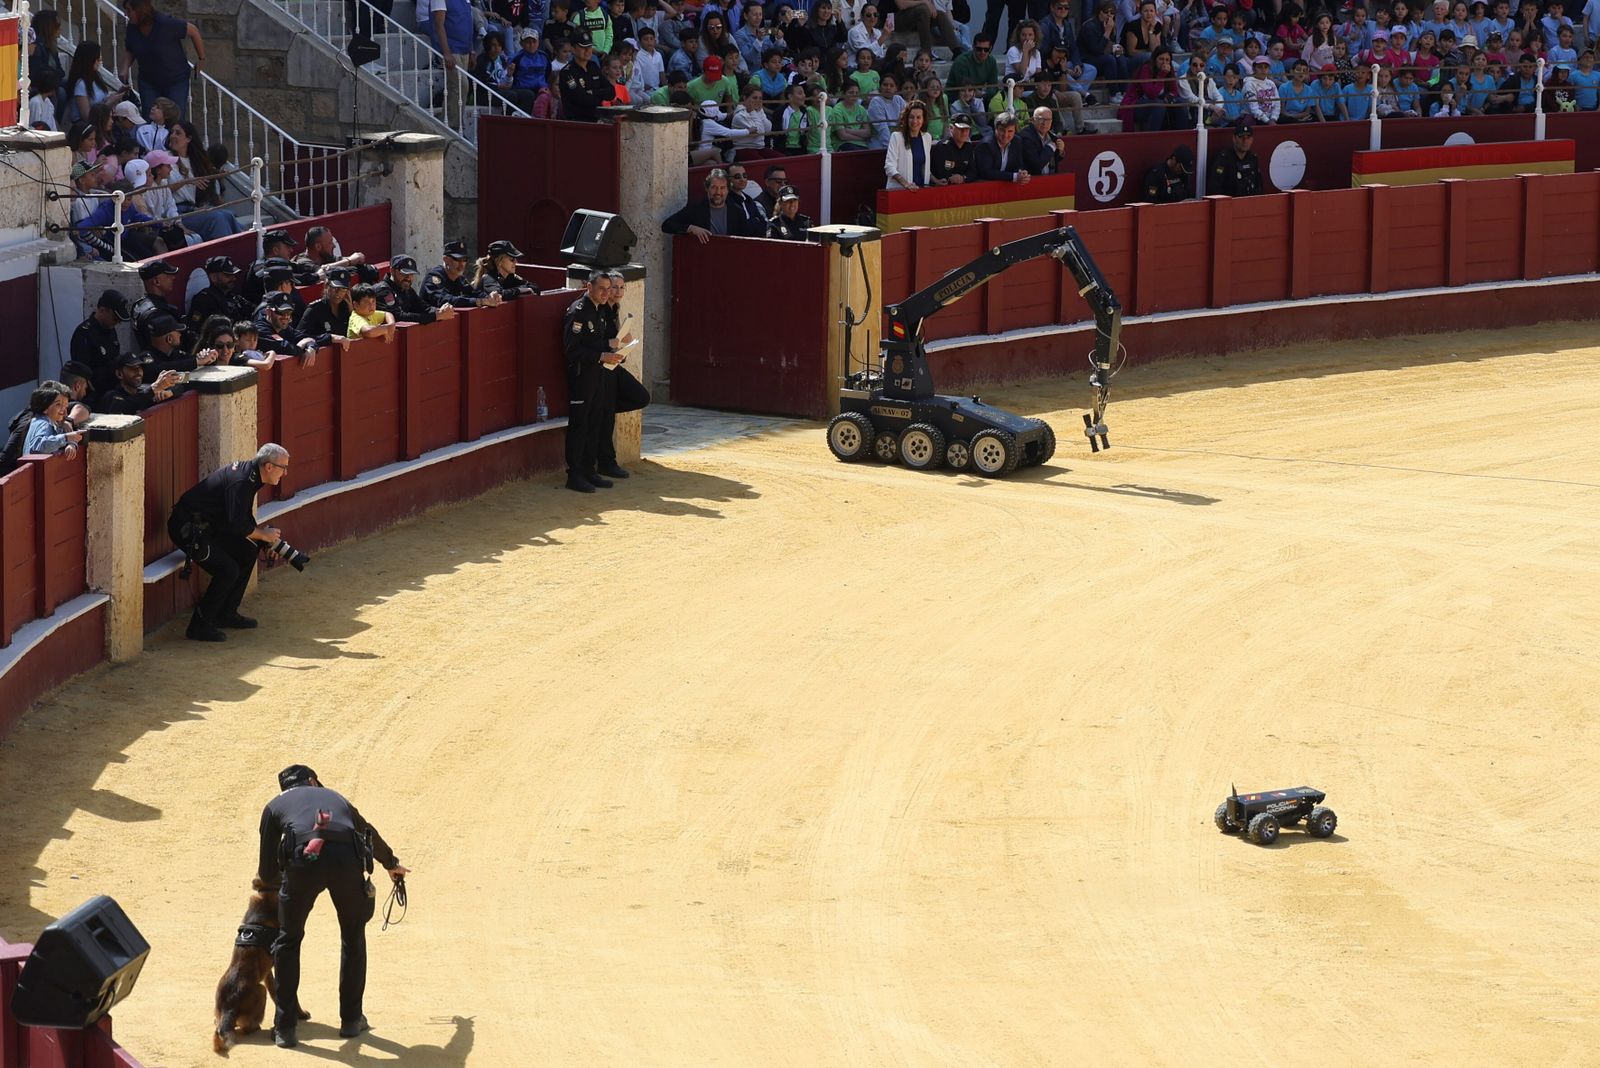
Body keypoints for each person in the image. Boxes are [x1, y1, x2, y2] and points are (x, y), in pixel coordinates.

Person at [257, 764, 408, 1048]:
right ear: (313, 781)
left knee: (288, 940)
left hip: (303, 861)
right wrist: (391, 863)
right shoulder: (335, 797)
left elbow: (266, 873)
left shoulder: (274, 807)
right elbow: (367, 832)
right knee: (352, 934)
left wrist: (289, 882)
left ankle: (285, 1028)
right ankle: (351, 1020)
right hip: (346, 859)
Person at [168, 443, 292, 641]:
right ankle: (199, 627)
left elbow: (242, 517)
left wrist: (264, 542)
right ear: (269, 467)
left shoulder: (252, 475)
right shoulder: (243, 480)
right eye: (283, 468)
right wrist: (263, 536)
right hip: (187, 529)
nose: (285, 473)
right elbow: (237, 524)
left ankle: (226, 613)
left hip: (209, 526)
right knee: (228, 570)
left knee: (248, 551)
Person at [562, 271, 624, 492]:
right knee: (579, 425)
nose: (607, 293)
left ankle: (589, 470)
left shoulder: (599, 310)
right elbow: (572, 350)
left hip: (597, 374)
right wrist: (600, 356)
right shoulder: (579, 312)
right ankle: (575, 474)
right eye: (602, 289)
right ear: (589, 287)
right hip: (582, 376)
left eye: (609, 289)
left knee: (594, 421)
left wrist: (613, 351)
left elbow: (597, 343)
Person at [121, 0, 206, 118]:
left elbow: (193, 31)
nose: (126, 14)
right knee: (150, 118)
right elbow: (131, 48)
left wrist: (201, 58)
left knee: (175, 118)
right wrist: (125, 68)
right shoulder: (132, 28)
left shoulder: (165, 23)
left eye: (129, 10)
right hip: (148, 81)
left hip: (175, 81)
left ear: (140, 10)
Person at [661, 169, 762, 242]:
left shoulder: (737, 211)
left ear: (728, 190)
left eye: (722, 188)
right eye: (714, 187)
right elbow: (667, 225)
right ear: (707, 188)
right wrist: (691, 228)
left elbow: (743, 240)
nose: (718, 192)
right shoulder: (696, 208)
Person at [71, 290, 134, 394]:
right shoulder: (84, 334)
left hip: (113, 388)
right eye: (115, 318)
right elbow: (82, 372)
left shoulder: (110, 329)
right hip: (95, 393)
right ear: (102, 310)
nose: (117, 322)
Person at [422, 240, 506, 308]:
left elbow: (474, 292)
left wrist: (490, 297)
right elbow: (443, 299)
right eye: (457, 260)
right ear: (446, 259)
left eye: (464, 260)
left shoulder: (459, 278)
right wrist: (479, 302)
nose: (461, 264)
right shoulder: (435, 277)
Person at [377, 255, 457, 324]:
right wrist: (436, 316)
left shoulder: (407, 290)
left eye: (411, 274)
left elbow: (423, 307)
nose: (408, 277)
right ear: (392, 271)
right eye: (404, 273)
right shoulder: (384, 291)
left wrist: (441, 311)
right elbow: (398, 316)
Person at [100, 351, 183, 416]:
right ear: (119, 374)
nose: (138, 372)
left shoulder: (144, 391)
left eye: (139, 367)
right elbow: (127, 406)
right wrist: (153, 389)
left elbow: (181, 387)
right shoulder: (111, 396)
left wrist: (169, 393)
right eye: (132, 368)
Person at [560, 31, 616, 120]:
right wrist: (600, 93)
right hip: (577, 122)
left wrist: (593, 92)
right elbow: (581, 99)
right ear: (573, 49)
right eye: (583, 47)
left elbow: (611, 92)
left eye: (589, 47)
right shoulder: (567, 72)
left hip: (597, 118)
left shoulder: (593, 66)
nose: (588, 50)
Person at [23, 383, 86, 460]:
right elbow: (38, 446)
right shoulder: (42, 423)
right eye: (58, 404)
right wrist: (66, 438)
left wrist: (71, 444)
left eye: (65, 406)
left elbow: (68, 437)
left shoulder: (56, 423)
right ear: (45, 408)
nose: (64, 409)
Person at [297, 268, 357, 348]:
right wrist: (328, 338)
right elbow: (298, 337)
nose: (339, 293)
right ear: (326, 285)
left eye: (343, 289)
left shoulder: (347, 307)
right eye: (335, 288)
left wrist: (351, 311)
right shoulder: (315, 309)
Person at [189, 257, 253, 331]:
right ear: (213, 277)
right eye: (227, 276)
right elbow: (194, 328)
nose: (233, 279)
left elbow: (253, 310)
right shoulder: (204, 300)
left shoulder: (233, 297)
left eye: (233, 275)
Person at [883, 100, 935, 189]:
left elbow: (924, 168)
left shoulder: (927, 137)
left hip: (921, 190)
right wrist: (906, 184)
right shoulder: (896, 137)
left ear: (923, 120)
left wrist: (936, 180)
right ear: (906, 119)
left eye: (918, 117)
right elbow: (889, 167)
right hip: (899, 191)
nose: (915, 121)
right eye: (911, 117)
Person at [474, 239, 540, 300]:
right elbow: (498, 294)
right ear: (499, 261)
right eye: (512, 259)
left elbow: (535, 288)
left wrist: (522, 289)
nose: (515, 262)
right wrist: (520, 290)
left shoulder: (510, 277)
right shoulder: (488, 277)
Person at [1210, 120, 1262, 196]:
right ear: (1234, 138)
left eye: (1248, 138)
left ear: (1252, 140)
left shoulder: (1253, 158)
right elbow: (1215, 187)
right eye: (1241, 137)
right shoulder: (1223, 159)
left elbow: (1259, 185)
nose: (1245, 141)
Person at [1016, 103, 1067, 176]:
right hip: (1032, 181)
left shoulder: (1052, 136)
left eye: (1048, 120)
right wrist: (1050, 147)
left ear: (1051, 121)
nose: (1044, 123)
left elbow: (1054, 159)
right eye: (1041, 119)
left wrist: (1061, 151)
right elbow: (1036, 165)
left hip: (1051, 179)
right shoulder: (1025, 137)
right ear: (1033, 120)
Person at [931, 113, 976, 184]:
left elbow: (973, 172)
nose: (964, 132)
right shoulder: (942, 147)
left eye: (967, 129)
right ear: (951, 128)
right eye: (960, 129)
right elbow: (940, 173)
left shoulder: (968, 147)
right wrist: (953, 178)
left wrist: (963, 178)